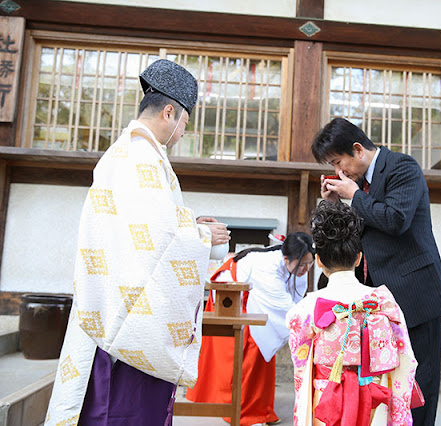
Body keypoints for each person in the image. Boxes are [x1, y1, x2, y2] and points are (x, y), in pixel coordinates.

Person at [45, 59, 230, 426]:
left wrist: (190, 225)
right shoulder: (141, 157)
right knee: (121, 411)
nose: (181, 134)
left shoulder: (129, 152)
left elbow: (143, 230)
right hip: (128, 325)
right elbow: (157, 238)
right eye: (184, 124)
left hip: (116, 308)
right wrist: (204, 237)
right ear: (169, 112)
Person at [312, 117, 441, 425]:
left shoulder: (403, 167)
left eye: (339, 163)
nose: (339, 173)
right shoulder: (358, 187)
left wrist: (353, 196)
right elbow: (355, 234)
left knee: (418, 380)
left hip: (415, 294)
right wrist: (335, 205)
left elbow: (395, 219)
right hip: (376, 301)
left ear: (358, 149)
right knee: (383, 381)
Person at [286, 200, 418, 425]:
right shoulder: (382, 301)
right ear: (358, 259)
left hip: (326, 401)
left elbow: (302, 369)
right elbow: (406, 360)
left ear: (318, 261)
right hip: (375, 399)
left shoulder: (305, 309)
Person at [186, 232, 315, 426]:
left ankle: (260, 411)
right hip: (231, 295)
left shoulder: (294, 266)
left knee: (262, 355)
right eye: (302, 264)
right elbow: (284, 308)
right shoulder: (267, 267)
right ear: (287, 258)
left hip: (253, 299)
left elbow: (294, 301)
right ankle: (242, 413)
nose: (306, 269)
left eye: (309, 264)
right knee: (247, 350)